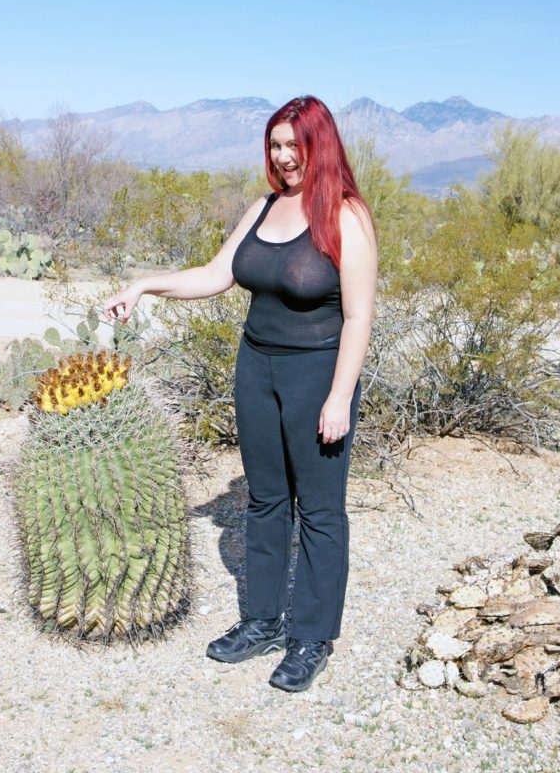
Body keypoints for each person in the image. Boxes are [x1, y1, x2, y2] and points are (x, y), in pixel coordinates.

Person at [103, 95, 377, 692]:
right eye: (275, 146)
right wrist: (143, 285)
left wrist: (339, 397)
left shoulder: (346, 217)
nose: (283, 158)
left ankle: (311, 637)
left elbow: (358, 317)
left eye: (293, 146)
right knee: (265, 500)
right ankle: (261, 621)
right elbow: (213, 274)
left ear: (319, 146)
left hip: (317, 374)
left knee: (322, 512)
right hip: (256, 368)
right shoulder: (263, 208)